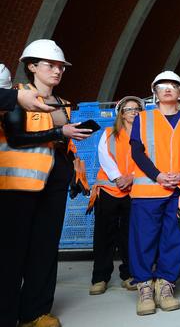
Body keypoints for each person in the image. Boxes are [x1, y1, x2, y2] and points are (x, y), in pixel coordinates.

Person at [1, 39, 92, 327]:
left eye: (61, 66)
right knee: (12, 252)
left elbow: (63, 144)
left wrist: (75, 170)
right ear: (31, 67)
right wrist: (58, 130)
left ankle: (35, 312)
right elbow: (16, 138)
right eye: (50, 65)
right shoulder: (16, 96)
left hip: (53, 186)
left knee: (45, 249)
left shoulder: (63, 103)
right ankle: (5, 315)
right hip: (18, 185)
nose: (57, 70)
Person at [129, 70, 180, 315]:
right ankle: (145, 287)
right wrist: (157, 175)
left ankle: (166, 285)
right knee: (143, 238)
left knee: (175, 238)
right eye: (162, 85)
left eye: (173, 85)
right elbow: (137, 152)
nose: (168, 88)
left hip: (179, 190)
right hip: (149, 188)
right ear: (155, 92)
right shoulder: (142, 118)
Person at [88, 96, 145, 296]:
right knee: (104, 235)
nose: (133, 112)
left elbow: (150, 160)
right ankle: (100, 277)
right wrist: (119, 177)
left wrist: (132, 178)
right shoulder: (109, 133)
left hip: (134, 189)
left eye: (137, 108)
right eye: (128, 109)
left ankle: (129, 274)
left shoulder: (146, 135)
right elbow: (104, 157)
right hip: (109, 189)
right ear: (120, 113)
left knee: (130, 235)